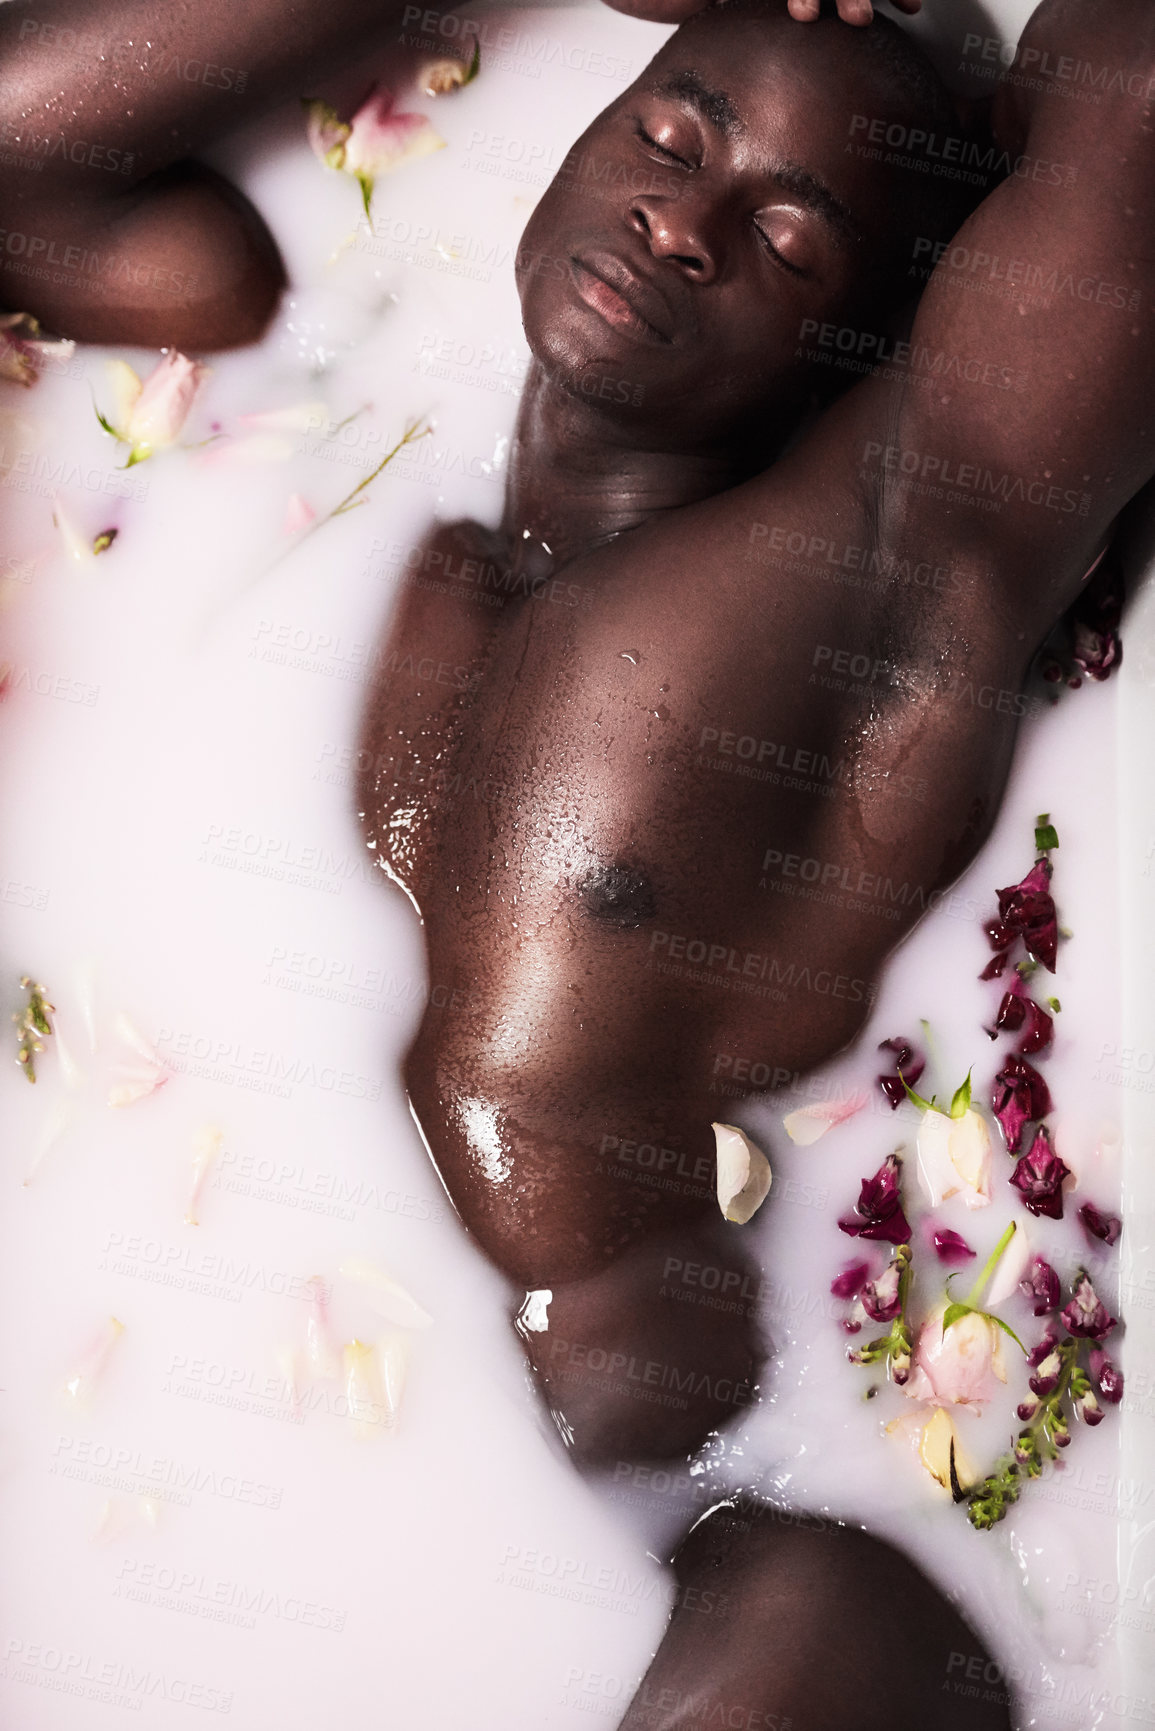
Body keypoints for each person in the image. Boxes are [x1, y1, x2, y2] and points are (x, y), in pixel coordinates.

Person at [4, 0, 1151, 1722]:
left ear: (873, 339)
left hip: (735, 1504)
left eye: (784, 237)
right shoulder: (432, 545)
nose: (680, 222)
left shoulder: (868, 578)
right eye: (673, 137)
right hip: (313, 1438)